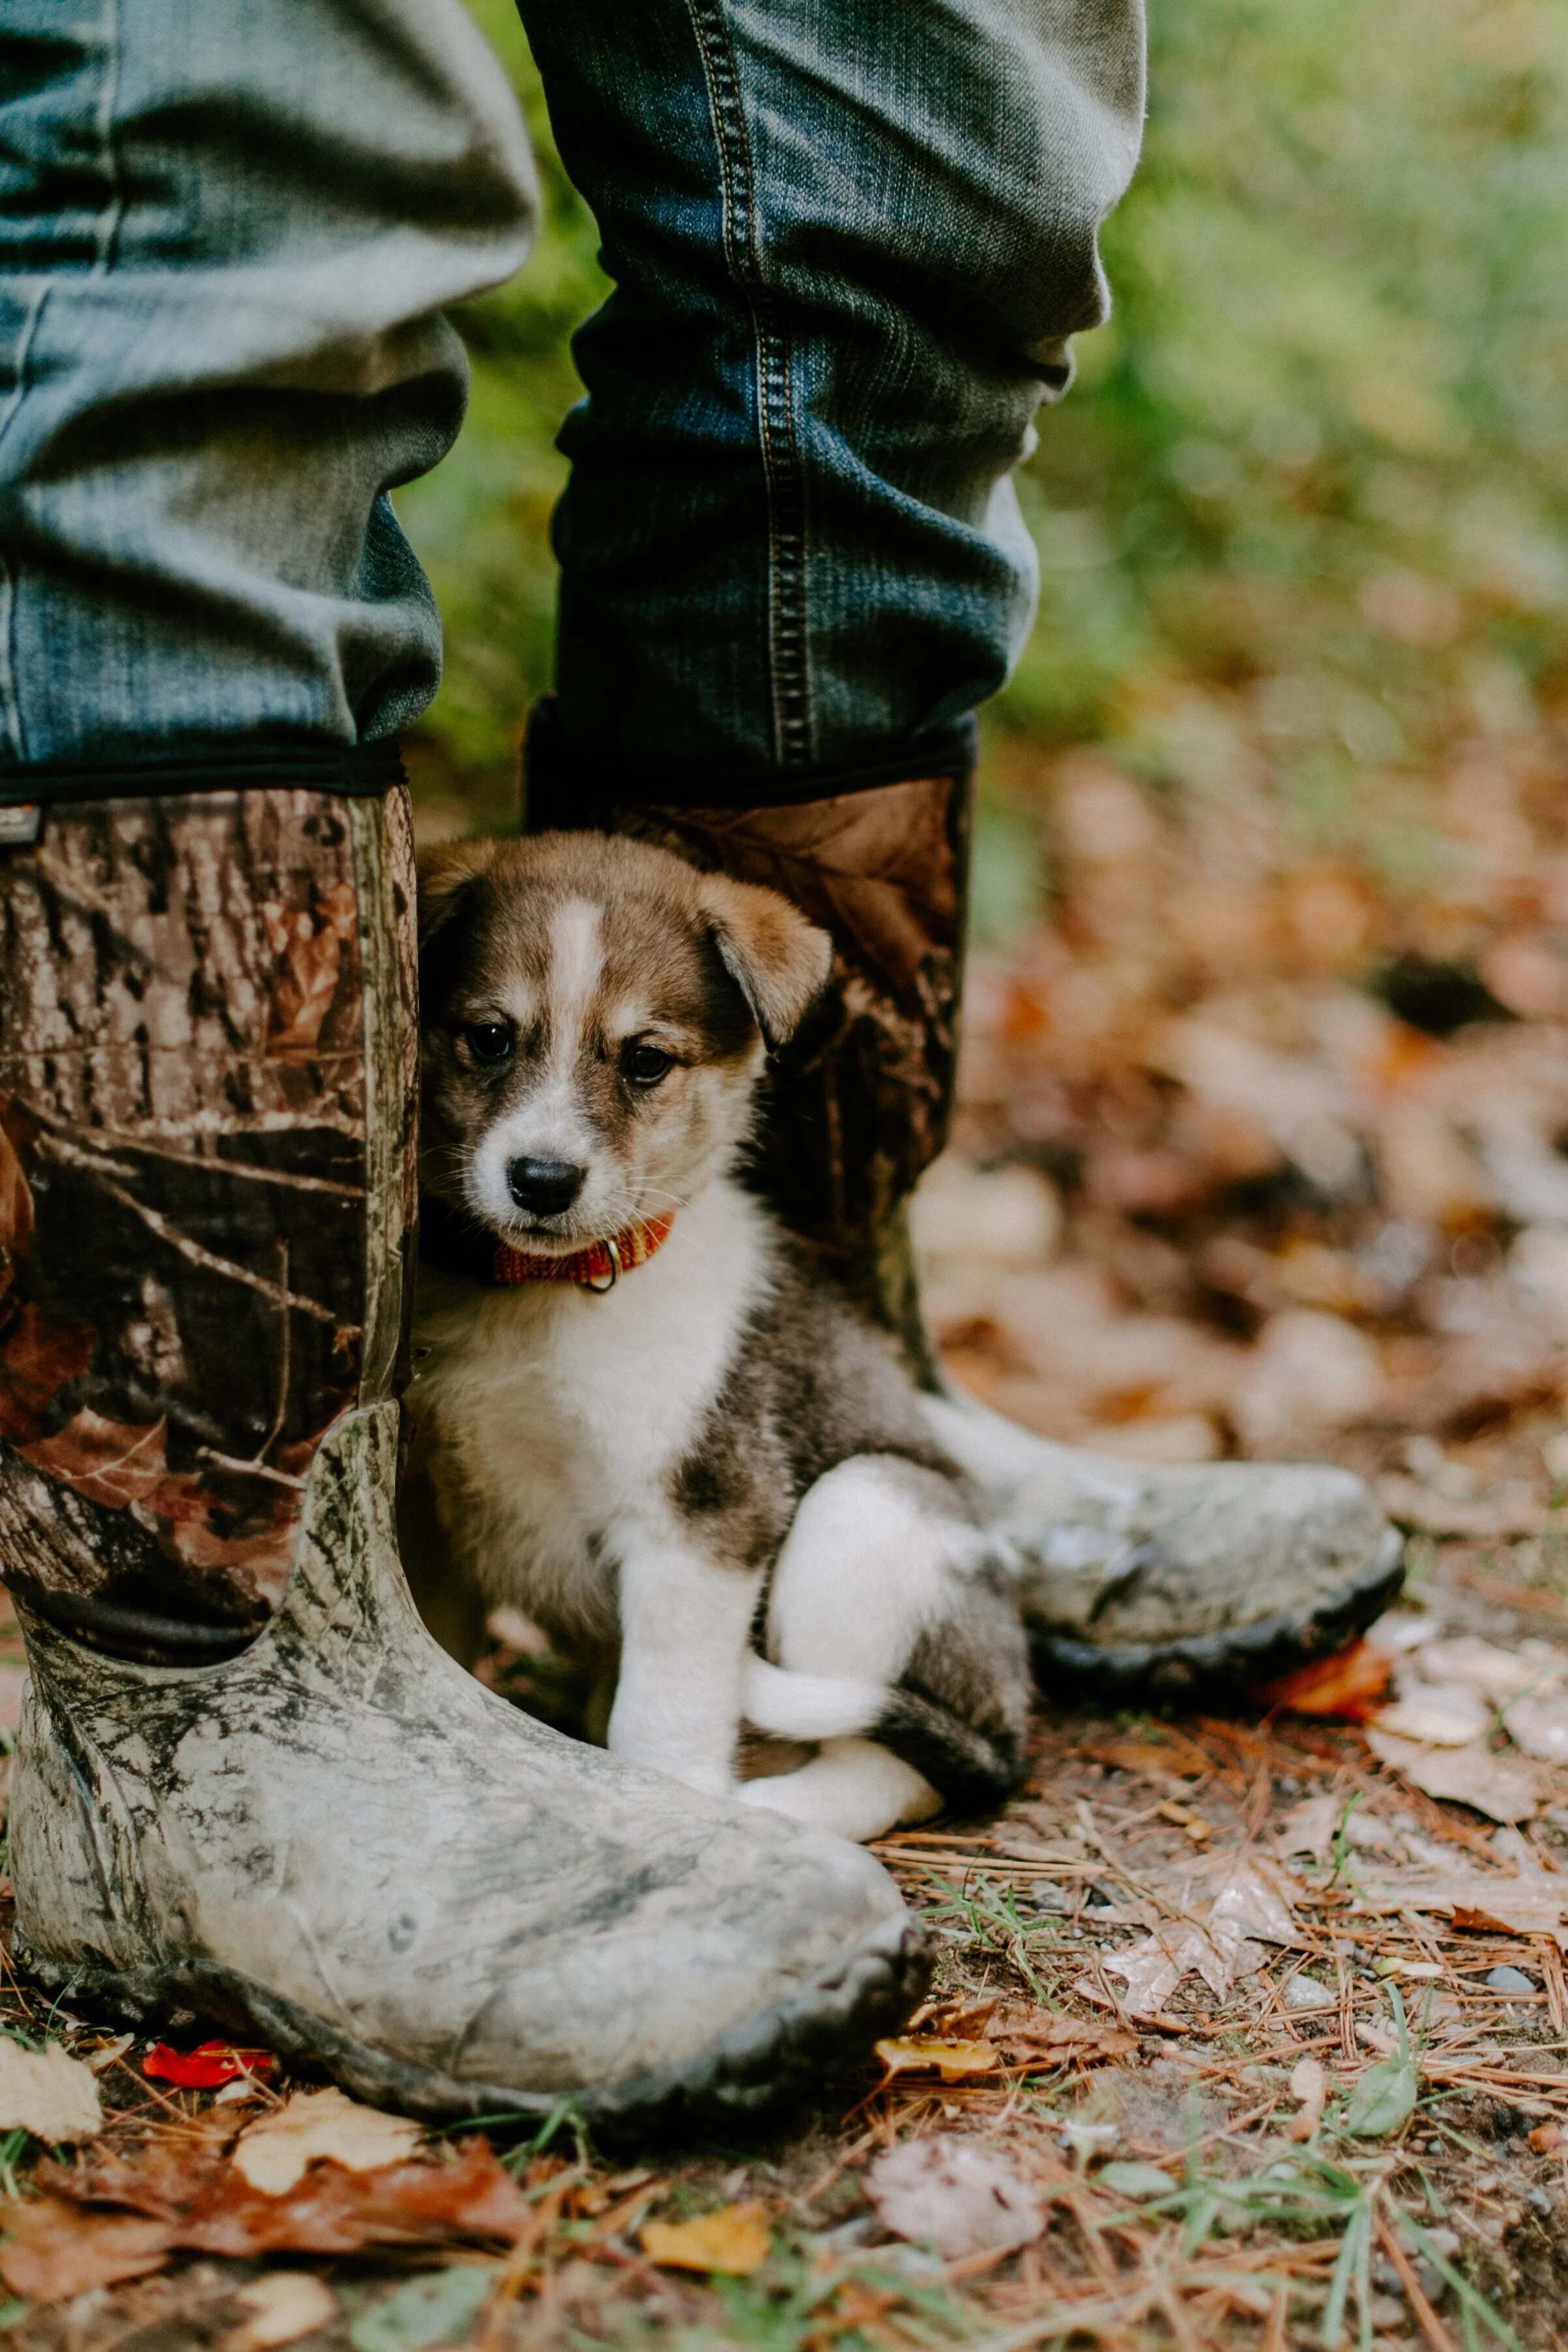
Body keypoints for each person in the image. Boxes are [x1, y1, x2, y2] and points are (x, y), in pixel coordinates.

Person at [0, 0, 1398, 2119]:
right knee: (228, 161)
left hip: (726, 1423)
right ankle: (205, 1670)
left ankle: (841, 1379)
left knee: (917, 195)